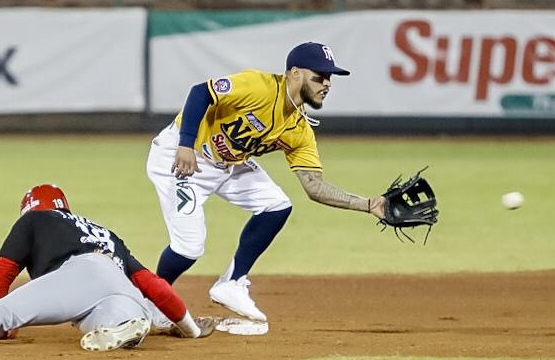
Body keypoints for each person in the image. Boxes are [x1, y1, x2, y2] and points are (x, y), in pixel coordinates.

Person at [147, 42, 386, 322]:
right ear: (294, 73)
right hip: (182, 158)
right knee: (189, 248)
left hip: (227, 165)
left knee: (277, 205)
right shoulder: (258, 86)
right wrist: (185, 144)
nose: (327, 84)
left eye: (330, 78)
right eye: (320, 76)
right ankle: (150, 303)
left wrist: (368, 205)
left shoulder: (299, 129)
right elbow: (201, 92)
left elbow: (314, 187)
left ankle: (232, 283)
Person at [0, 184, 215, 352]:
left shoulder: (34, 219)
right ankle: (129, 325)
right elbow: (155, 286)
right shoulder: (104, 232)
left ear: (28, 209)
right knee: (100, 324)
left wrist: (3, 330)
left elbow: (0, 278)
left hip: (77, 273)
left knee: (0, 310)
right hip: (120, 285)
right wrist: (190, 329)